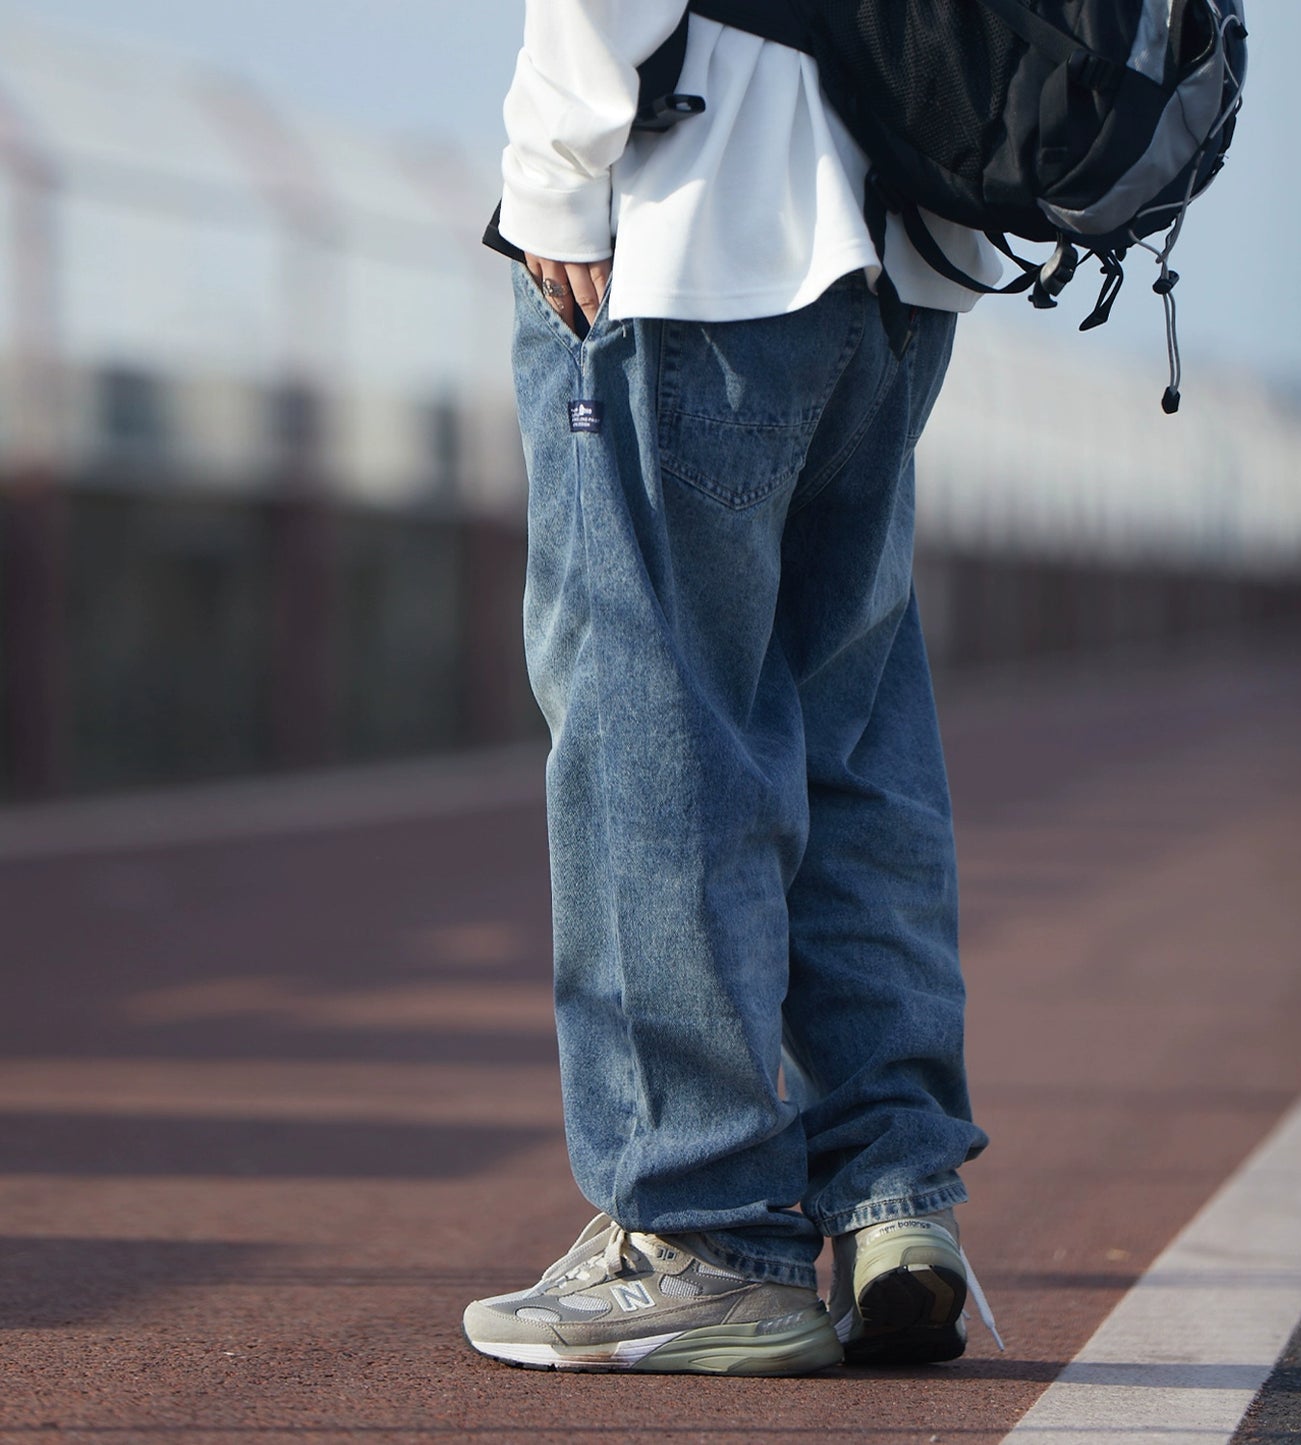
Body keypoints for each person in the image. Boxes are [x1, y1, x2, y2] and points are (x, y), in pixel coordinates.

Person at [463, 0, 1003, 1375]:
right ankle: (894, 1199)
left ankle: (701, 1234)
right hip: (907, 244)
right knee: (853, 732)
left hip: (696, 238)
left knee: (653, 730)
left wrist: (551, 182)